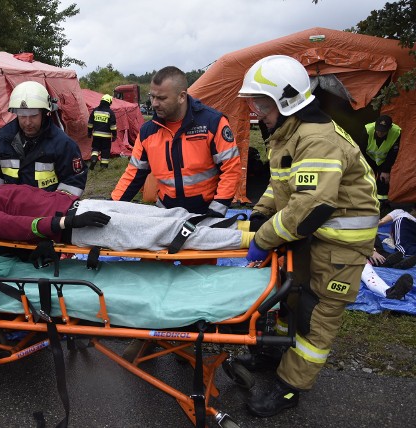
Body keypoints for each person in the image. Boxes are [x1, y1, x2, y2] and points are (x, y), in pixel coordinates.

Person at [237, 55, 379, 417]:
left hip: (339, 248)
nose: (256, 112)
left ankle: (290, 388)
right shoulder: (290, 133)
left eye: (261, 103)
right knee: (291, 301)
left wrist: (263, 238)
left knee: (316, 317)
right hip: (310, 238)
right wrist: (261, 212)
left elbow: (311, 207)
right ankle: (273, 354)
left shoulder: (317, 139)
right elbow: (282, 184)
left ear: (285, 101)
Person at [0, 182, 254, 253]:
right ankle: (245, 237)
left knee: (166, 215)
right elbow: (15, 227)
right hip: (77, 226)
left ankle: (236, 223)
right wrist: (64, 223)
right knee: (165, 231)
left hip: (81, 207)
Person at [111, 66, 241, 217]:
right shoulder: (148, 132)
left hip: (207, 212)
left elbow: (231, 169)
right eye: (152, 96)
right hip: (166, 212)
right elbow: (133, 175)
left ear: (181, 97)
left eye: (161, 98)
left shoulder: (213, 123)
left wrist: (217, 209)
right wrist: (111, 206)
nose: (154, 104)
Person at [0, 81, 86, 197]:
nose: (28, 122)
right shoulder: (4, 138)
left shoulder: (63, 144)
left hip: (47, 210)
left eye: (33, 116)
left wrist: (54, 207)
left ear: (44, 113)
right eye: (23, 116)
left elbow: (72, 184)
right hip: (10, 207)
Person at [363, 115, 401, 212]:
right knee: (367, 178)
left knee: (383, 179)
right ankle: (365, 202)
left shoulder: (396, 132)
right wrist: (365, 166)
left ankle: (382, 204)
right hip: (369, 157)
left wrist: (385, 170)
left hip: (384, 160)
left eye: (383, 131)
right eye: (378, 130)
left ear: (389, 129)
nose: (380, 133)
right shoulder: (367, 129)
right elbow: (361, 149)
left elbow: (393, 153)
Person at [87, 94, 117, 170]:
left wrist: (89, 132)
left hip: (96, 135)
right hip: (106, 137)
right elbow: (113, 126)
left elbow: (90, 123)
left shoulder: (95, 111)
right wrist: (114, 135)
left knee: (95, 148)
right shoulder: (110, 112)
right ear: (109, 102)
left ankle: (94, 159)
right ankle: (103, 166)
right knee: (105, 150)